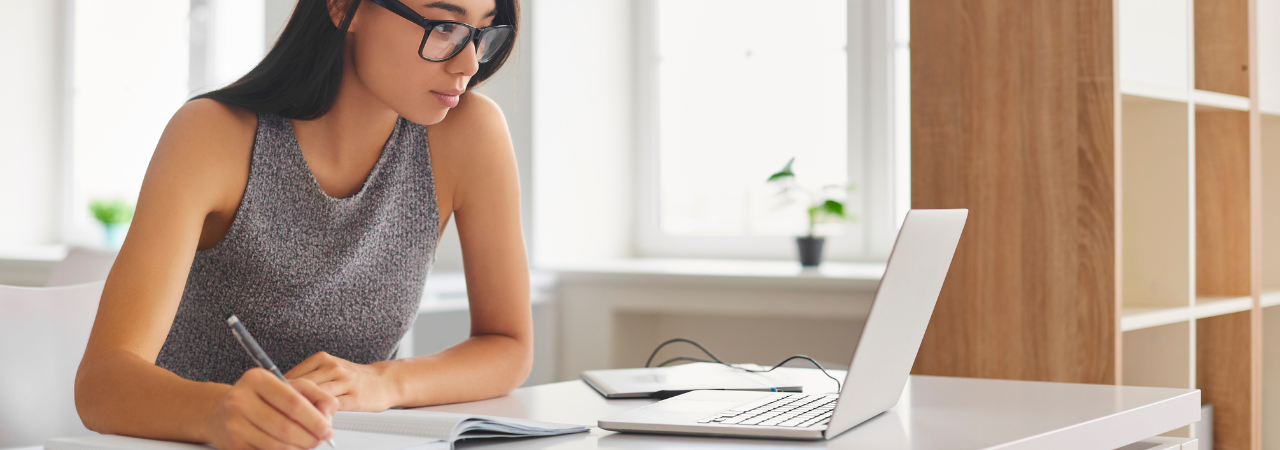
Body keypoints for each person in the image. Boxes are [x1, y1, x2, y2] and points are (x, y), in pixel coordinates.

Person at [74, 0, 529, 448]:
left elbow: (509, 347)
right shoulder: (212, 134)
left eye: (483, 32)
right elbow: (101, 383)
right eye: (443, 27)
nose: (469, 63)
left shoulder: (470, 133)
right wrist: (217, 411)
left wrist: (383, 383)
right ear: (343, 7)